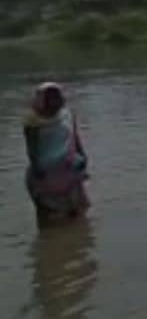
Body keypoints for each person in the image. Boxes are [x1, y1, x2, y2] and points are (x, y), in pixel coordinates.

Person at [23, 83, 89, 226]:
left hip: (69, 168)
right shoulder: (32, 121)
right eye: (49, 98)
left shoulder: (67, 114)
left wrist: (83, 155)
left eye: (56, 97)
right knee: (49, 217)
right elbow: (31, 149)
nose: (54, 102)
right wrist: (37, 168)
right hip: (45, 173)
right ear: (41, 100)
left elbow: (75, 136)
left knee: (77, 213)